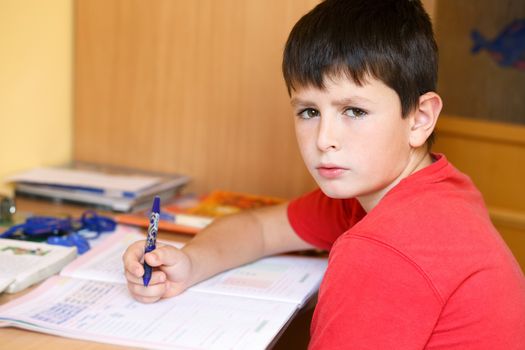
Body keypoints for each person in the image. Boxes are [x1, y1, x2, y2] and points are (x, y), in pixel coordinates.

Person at [123, 0, 525, 348]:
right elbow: (260, 229)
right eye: (309, 112)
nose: (324, 139)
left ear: (419, 118)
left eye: (354, 111)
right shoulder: (424, 188)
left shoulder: (384, 248)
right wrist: (189, 263)